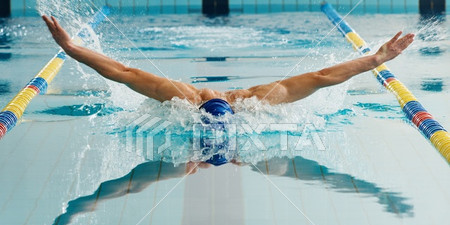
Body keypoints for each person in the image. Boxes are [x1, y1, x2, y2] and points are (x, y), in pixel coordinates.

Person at [42, 15, 415, 109]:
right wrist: (71, 48)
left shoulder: (257, 99)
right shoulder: (184, 99)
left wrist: (375, 60)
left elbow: (320, 76)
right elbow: (123, 74)